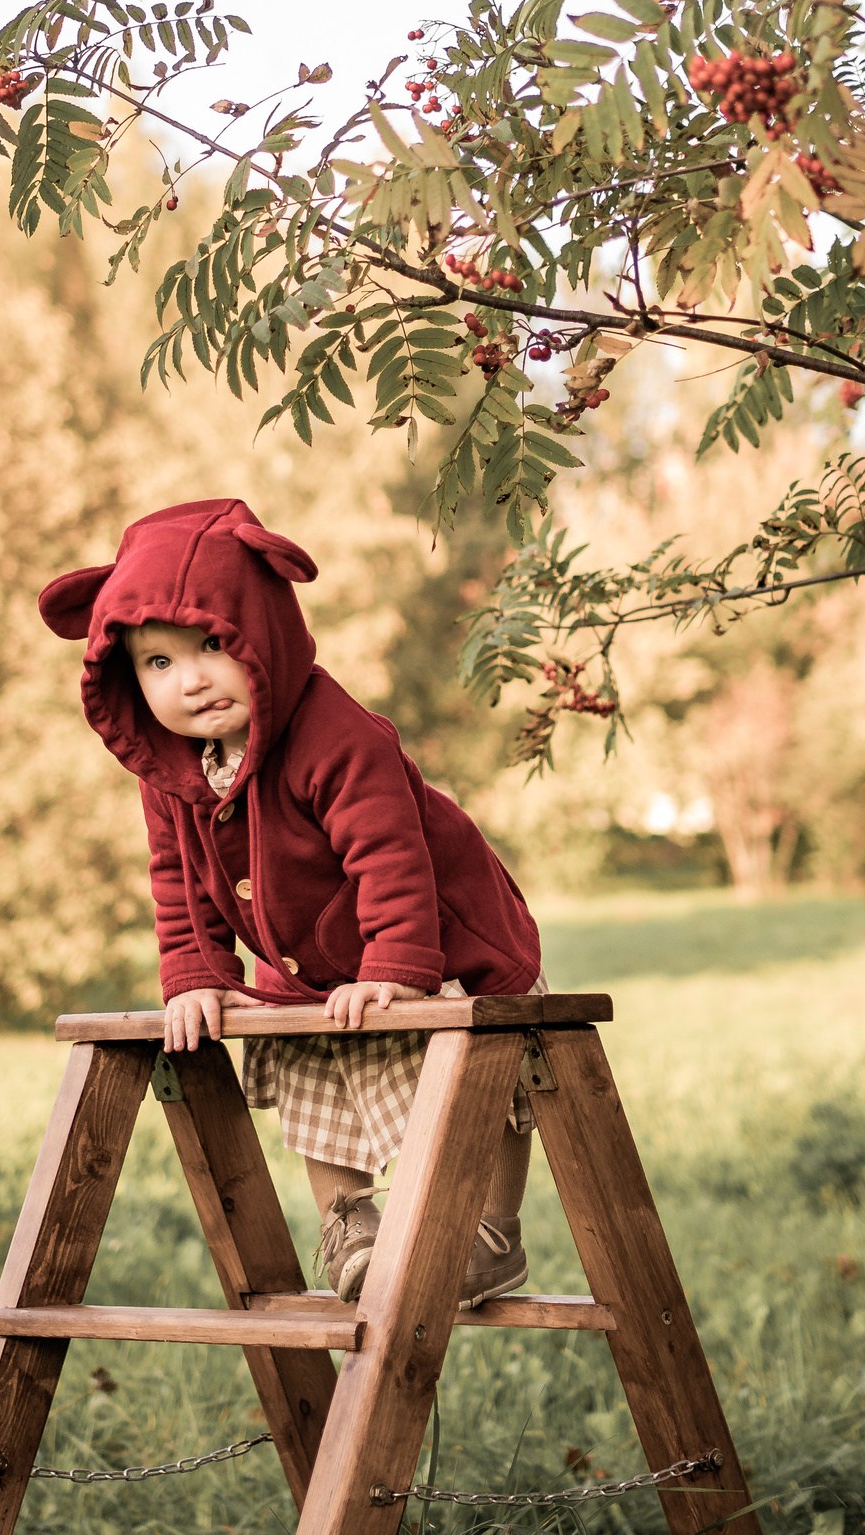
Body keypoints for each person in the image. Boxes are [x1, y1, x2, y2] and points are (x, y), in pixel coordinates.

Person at [38, 498, 543, 1309]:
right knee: (312, 1080)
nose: (191, 679)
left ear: (262, 634)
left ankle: (486, 1227)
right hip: (307, 967)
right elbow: (176, 874)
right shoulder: (173, 767)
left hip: (445, 944)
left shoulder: (336, 737)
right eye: (158, 664)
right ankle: (351, 1222)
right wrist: (196, 973)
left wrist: (398, 964)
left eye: (212, 645)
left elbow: (390, 855)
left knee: (462, 1080)